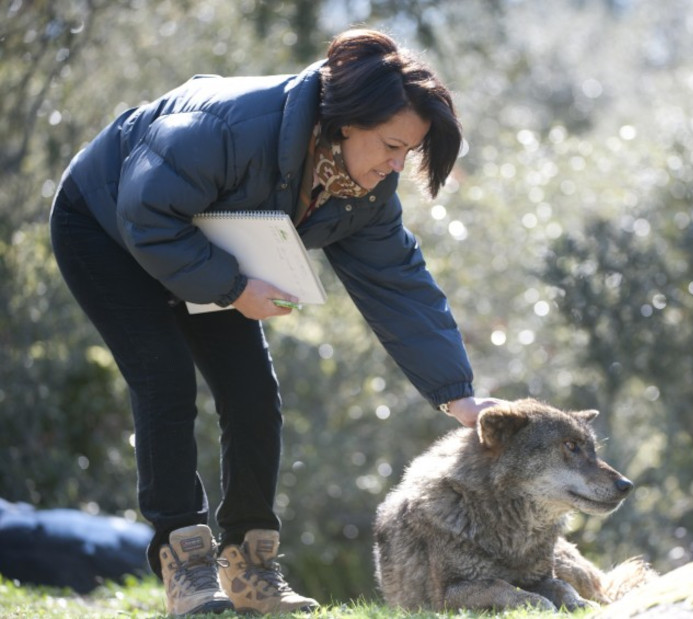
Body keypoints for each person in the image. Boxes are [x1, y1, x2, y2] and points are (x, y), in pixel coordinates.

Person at [50, 28, 504, 616]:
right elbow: (147, 213)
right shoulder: (231, 129)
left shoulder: (364, 190)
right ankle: (184, 562)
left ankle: (249, 566)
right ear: (347, 122)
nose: (397, 165)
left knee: (254, 396)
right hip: (106, 224)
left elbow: (400, 286)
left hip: (203, 245)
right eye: (391, 145)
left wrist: (459, 397)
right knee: (164, 380)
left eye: (407, 154)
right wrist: (236, 286)